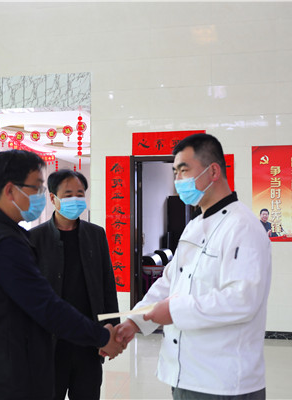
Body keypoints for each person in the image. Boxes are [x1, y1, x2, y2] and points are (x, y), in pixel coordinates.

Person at [0, 150, 124, 400]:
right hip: (1, 377)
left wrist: (109, 328)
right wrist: (102, 336)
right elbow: (45, 306)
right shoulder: (3, 241)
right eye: (37, 188)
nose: (41, 195)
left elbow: (105, 284)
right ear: (11, 190)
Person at [114, 133, 272, 400]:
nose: (178, 180)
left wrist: (173, 311)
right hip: (184, 374)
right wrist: (135, 321)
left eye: (184, 170)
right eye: (175, 172)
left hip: (224, 382)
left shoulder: (243, 226)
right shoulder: (194, 226)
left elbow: (243, 300)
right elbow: (169, 281)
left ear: (213, 171)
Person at [30, 169, 120, 400]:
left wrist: (112, 331)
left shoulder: (96, 235)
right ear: (53, 198)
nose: (75, 199)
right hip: (49, 346)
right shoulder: (34, 239)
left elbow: (107, 285)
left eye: (80, 194)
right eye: (68, 194)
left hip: (88, 343)